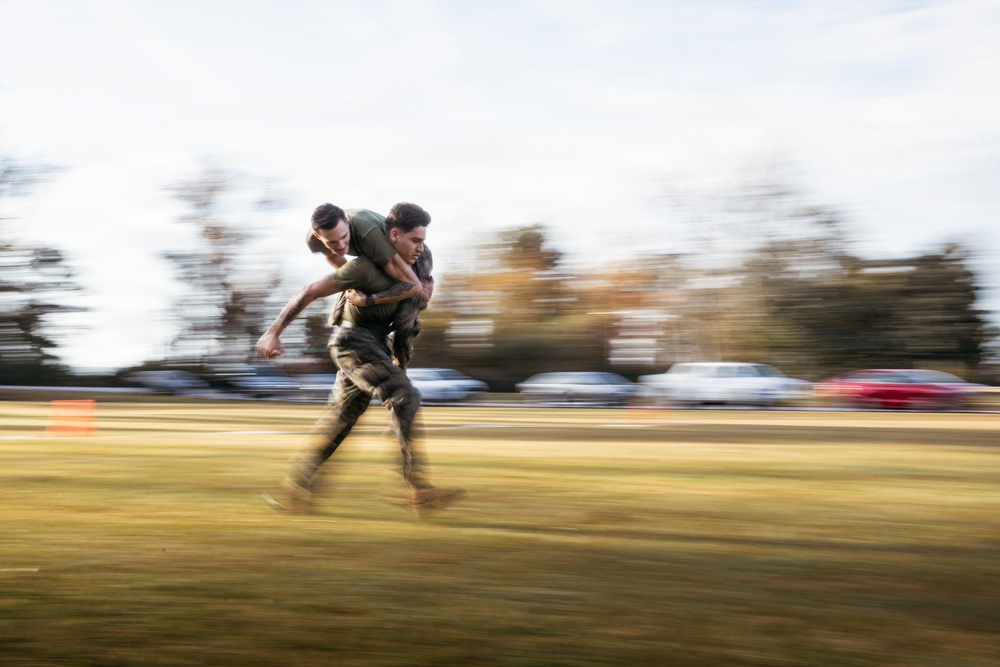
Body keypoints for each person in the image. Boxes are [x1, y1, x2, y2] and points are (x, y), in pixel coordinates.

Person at [257, 202, 463, 514]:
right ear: (393, 237)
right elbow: (310, 291)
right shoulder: (366, 267)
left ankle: (296, 490)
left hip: (373, 349)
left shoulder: (415, 286)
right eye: (415, 242)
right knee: (406, 396)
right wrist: (273, 332)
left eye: (424, 244)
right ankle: (417, 487)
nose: (421, 251)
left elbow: (406, 338)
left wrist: (399, 380)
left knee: (341, 421)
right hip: (350, 343)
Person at [306, 203, 426, 307]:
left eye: (343, 237)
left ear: (347, 224)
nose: (341, 246)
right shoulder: (314, 239)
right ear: (318, 236)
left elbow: (414, 286)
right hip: (380, 254)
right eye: (332, 242)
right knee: (350, 293)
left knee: (406, 305)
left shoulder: (369, 234)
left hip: (411, 257)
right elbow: (332, 256)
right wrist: (352, 285)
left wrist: (368, 300)